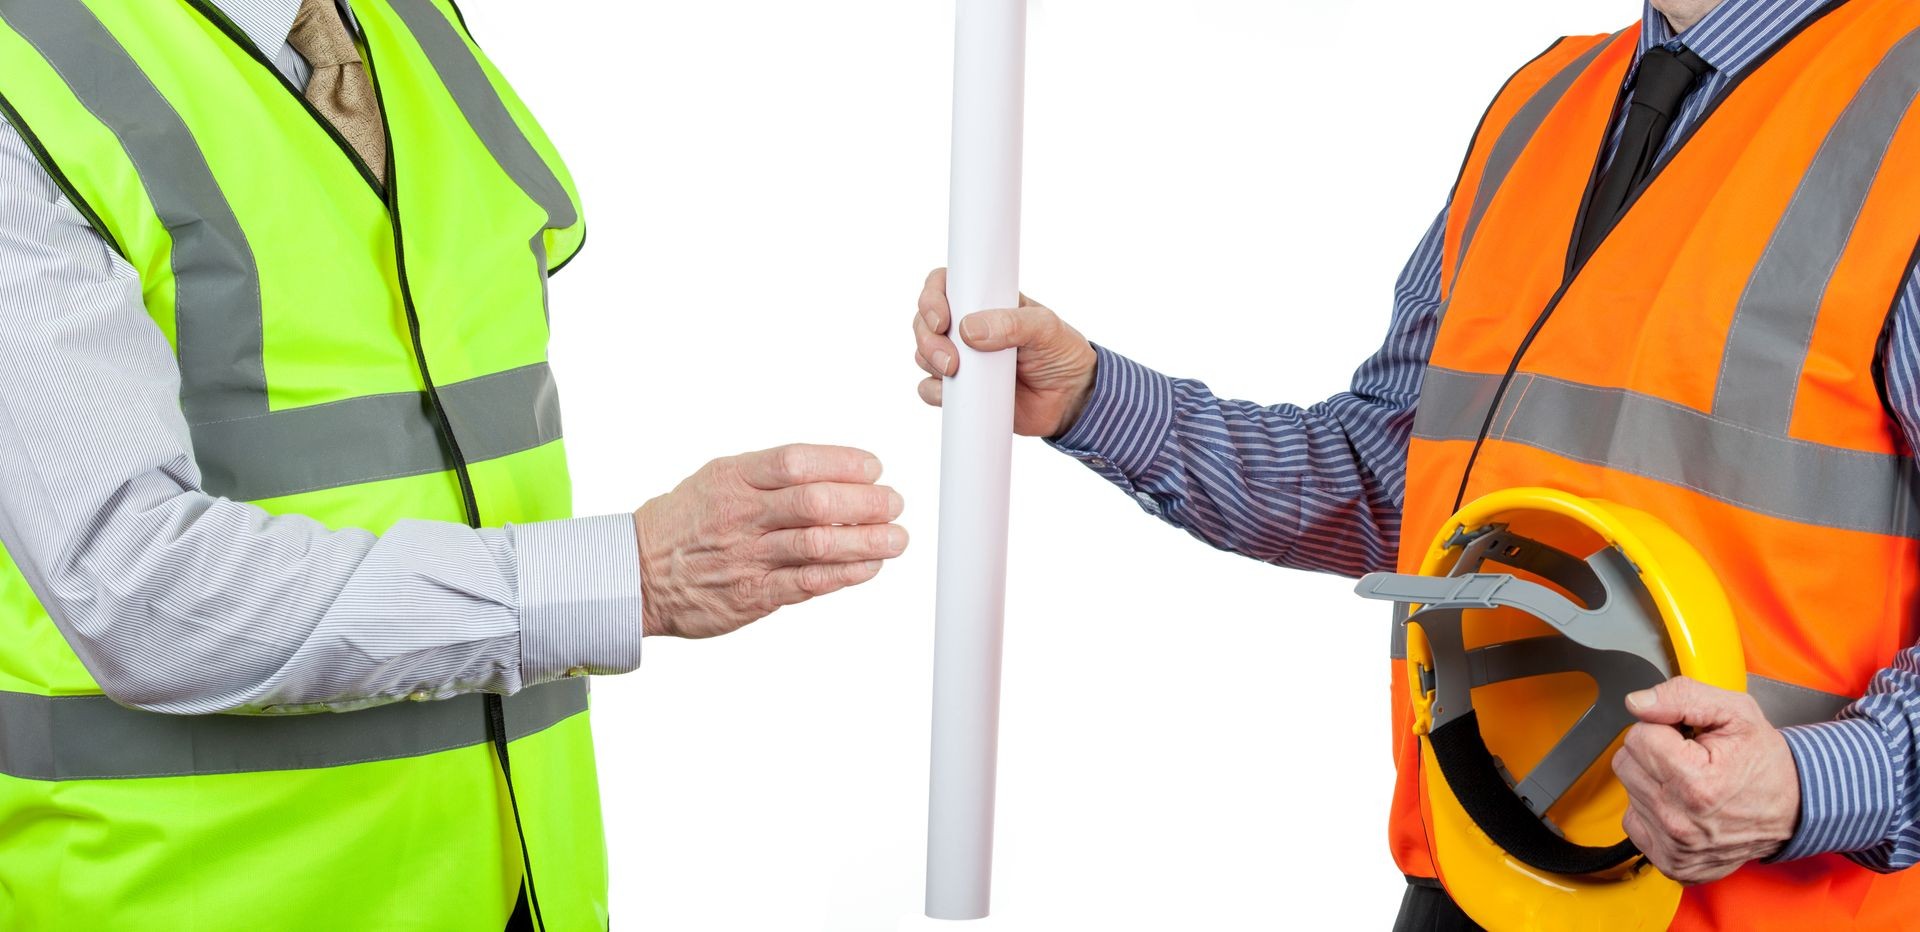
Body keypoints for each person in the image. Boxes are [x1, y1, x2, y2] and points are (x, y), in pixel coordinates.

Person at [912, 0, 1920, 927]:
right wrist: (1090, 396)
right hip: (1476, 879)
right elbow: (1399, 478)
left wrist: (1809, 781)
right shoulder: (1542, 108)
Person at [0, 0, 906, 929]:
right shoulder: (25, 77)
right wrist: (625, 578)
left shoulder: (405, 22)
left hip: (522, 883)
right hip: (197, 897)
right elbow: (133, 593)